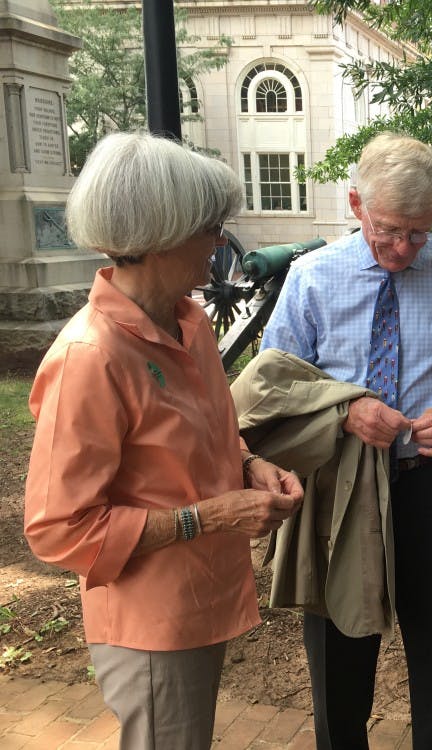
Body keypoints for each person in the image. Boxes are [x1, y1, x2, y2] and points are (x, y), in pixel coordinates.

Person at [23, 131, 304, 750]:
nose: (221, 243)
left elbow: (205, 432)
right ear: (159, 234)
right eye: (211, 227)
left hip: (198, 598)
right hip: (150, 624)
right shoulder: (91, 357)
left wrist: (249, 464)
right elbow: (58, 528)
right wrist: (210, 517)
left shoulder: (188, 322)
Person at [260, 131, 432, 750]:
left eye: (419, 233)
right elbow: (273, 386)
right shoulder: (311, 278)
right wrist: (345, 415)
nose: (401, 248)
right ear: (356, 204)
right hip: (338, 485)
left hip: (428, 485)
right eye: (389, 229)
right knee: (338, 652)